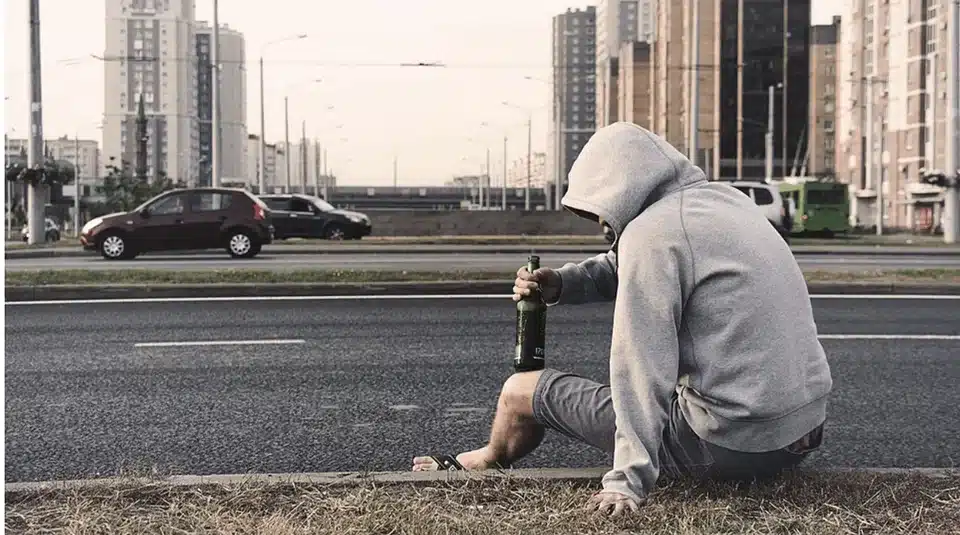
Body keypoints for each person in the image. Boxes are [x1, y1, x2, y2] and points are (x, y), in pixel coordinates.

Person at [412, 122, 833, 516]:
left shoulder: (653, 235)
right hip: (802, 434)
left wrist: (626, 481)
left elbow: (641, 366)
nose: (600, 222)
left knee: (520, 390)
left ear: (620, 189)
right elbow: (625, 263)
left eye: (599, 209)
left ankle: (485, 459)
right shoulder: (726, 203)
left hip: (733, 448)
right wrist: (561, 283)